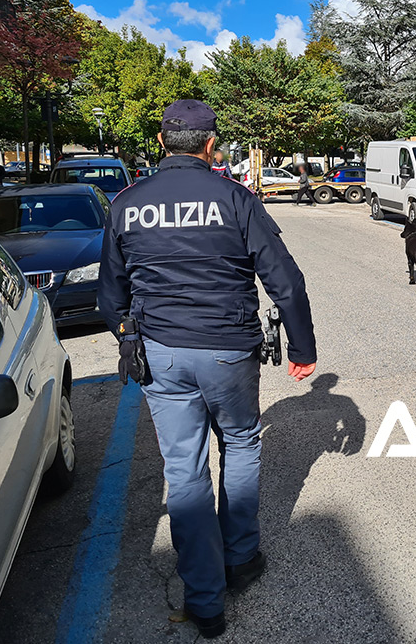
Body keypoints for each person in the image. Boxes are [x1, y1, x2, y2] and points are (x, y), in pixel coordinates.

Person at [98, 100, 317, 640]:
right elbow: (285, 280)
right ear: (212, 145)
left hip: (162, 353)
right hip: (227, 350)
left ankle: (204, 602)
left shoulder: (127, 203)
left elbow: (110, 296)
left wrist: (134, 335)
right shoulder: (235, 198)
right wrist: (301, 348)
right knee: (240, 443)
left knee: (184, 470)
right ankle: (240, 558)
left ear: (160, 139)